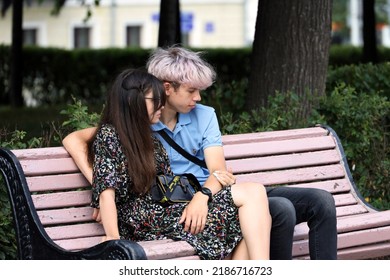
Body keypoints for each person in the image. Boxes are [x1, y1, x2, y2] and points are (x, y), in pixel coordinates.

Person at [63, 46, 337, 260]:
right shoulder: (137, 125)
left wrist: (202, 197)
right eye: (192, 90)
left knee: (319, 200)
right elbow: (78, 141)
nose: (199, 97)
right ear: (167, 89)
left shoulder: (202, 116)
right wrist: (100, 190)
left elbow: (218, 171)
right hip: (167, 207)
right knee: (275, 209)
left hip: (204, 195)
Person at [64, 67, 272, 260]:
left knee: (252, 198)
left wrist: (206, 193)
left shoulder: (149, 138)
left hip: (167, 211)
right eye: (155, 99)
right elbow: (107, 193)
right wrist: (114, 239)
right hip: (144, 222)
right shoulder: (110, 135)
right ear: (132, 101)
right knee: (247, 210)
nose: (161, 106)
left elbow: (166, 187)